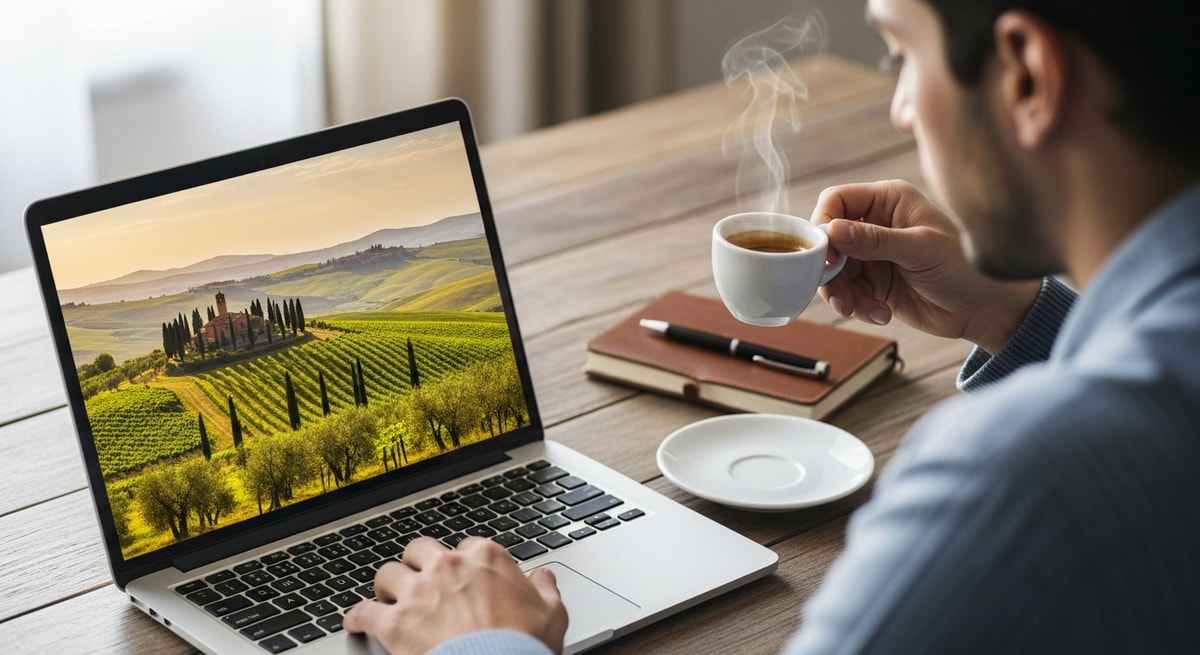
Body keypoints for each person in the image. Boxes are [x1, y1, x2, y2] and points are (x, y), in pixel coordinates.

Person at [344, 0, 1200, 651]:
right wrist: (1018, 317)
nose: (901, 107)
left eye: (902, 55)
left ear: (1026, 76)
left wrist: (488, 642)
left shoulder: (1014, 482)